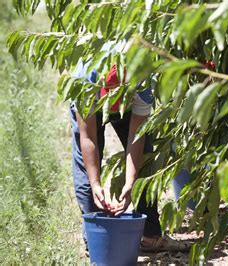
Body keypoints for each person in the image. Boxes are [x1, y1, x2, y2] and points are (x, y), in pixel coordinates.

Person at [70, 60, 191, 254]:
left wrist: (130, 183)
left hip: (129, 109)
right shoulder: (85, 83)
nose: (112, 98)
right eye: (109, 91)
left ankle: (151, 236)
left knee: (146, 163)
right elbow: (89, 138)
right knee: (86, 173)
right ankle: (94, 242)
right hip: (91, 106)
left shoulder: (142, 82)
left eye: (118, 92)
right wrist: (95, 184)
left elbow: (137, 138)